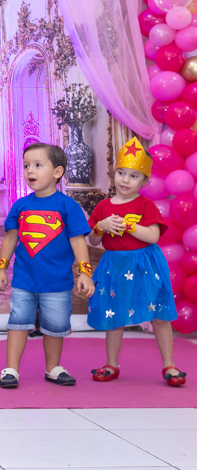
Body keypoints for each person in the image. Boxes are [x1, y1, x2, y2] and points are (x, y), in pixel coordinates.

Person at [0, 143, 94, 388]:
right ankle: (11, 369)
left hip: (57, 282)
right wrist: (1, 267)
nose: (30, 170)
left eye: (38, 165)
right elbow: (10, 238)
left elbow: (78, 241)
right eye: (26, 166)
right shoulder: (20, 206)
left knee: (55, 326)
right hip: (24, 280)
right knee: (18, 323)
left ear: (57, 172)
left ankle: (53, 368)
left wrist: (84, 272)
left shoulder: (68, 206)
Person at [87, 137, 185, 386]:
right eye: (121, 173)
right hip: (115, 266)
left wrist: (129, 225)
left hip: (145, 265)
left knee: (158, 314)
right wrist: (101, 226)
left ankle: (169, 365)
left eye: (133, 176)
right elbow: (93, 241)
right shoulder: (103, 206)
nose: (125, 180)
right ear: (114, 173)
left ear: (144, 181)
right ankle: (112, 364)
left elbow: (153, 236)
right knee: (114, 315)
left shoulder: (145, 204)